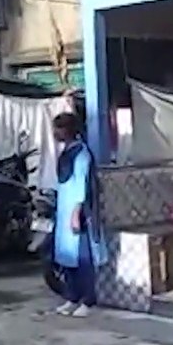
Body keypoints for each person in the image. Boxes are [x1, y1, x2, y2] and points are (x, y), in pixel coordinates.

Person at [51, 111, 107, 317]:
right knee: (67, 257)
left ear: (69, 130)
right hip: (64, 208)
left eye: (59, 128)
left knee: (83, 258)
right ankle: (72, 297)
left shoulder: (82, 153)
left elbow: (82, 185)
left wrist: (76, 212)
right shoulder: (66, 152)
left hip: (79, 211)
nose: (56, 132)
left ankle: (88, 301)